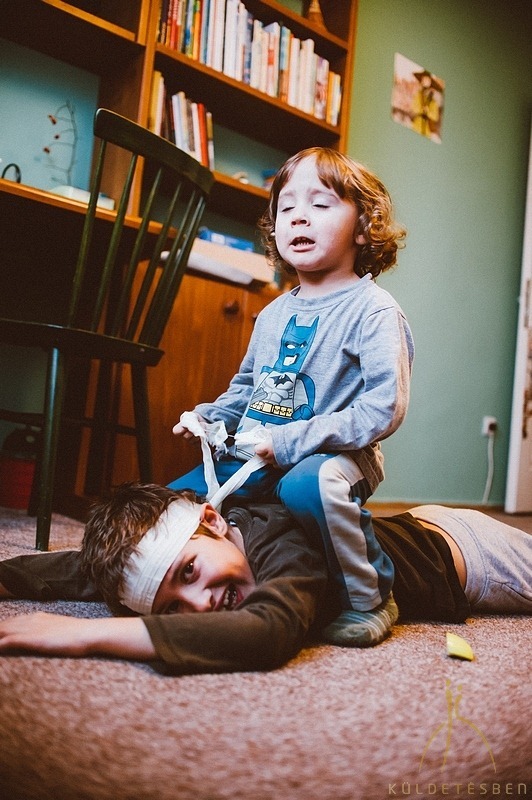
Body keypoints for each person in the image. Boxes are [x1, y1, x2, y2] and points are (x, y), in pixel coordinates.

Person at [169, 147, 415, 647]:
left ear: (363, 228)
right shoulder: (274, 313)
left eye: (320, 204)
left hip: (336, 456)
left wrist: (289, 442)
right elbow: (247, 386)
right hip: (259, 451)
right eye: (287, 207)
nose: (299, 216)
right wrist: (210, 416)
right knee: (175, 502)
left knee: (309, 485)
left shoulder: (374, 311)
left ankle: (369, 597)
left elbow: (383, 408)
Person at [0, 482, 529, 674]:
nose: (198, 605)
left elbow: (268, 631)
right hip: (421, 531)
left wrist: (86, 634)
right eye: (172, 609)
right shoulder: (209, 547)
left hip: (468, 552)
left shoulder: (281, 539)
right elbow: (78, 570)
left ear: (213, 521)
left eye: (189, 572)